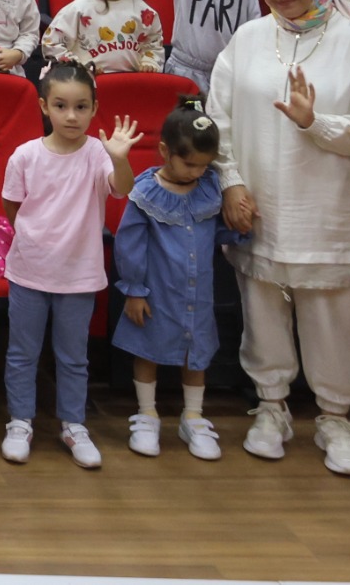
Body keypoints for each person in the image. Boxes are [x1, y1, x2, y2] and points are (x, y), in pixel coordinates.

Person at [212, 0, 350, 477]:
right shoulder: (247, 39)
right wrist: (230, 182)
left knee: (331, 318)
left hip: (326, 206)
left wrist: (317, 123)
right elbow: (219, 118)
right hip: (258, 202)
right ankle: (271, 408)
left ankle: (334, 417)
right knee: (263, 310)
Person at [0, 63, 136, 469]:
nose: (71, 115)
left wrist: (120, 158)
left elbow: (121, 188)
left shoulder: (98, 152)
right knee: (22, 353)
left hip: (78, 275)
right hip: (28, 271)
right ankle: (20, 421)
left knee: (73, 356)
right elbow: (12, 205)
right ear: (44, 107)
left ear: (94, 109)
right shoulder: (25, 155)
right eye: (61, 106)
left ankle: (73, 424)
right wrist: (37, 237)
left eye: (81, 106)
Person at [112, 96, 240, 461]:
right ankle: (147, 413)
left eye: (204, 165)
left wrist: (240, 228)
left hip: (197, 293)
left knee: (196, 353)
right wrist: (135, 291)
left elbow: (217, 232)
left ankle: (194, 416)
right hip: (156, 292)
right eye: (189, 164)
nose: (197, 172)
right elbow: (129, 244)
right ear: (165, 151)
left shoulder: (209, 187)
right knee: (147, 349)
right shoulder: (147, 192)